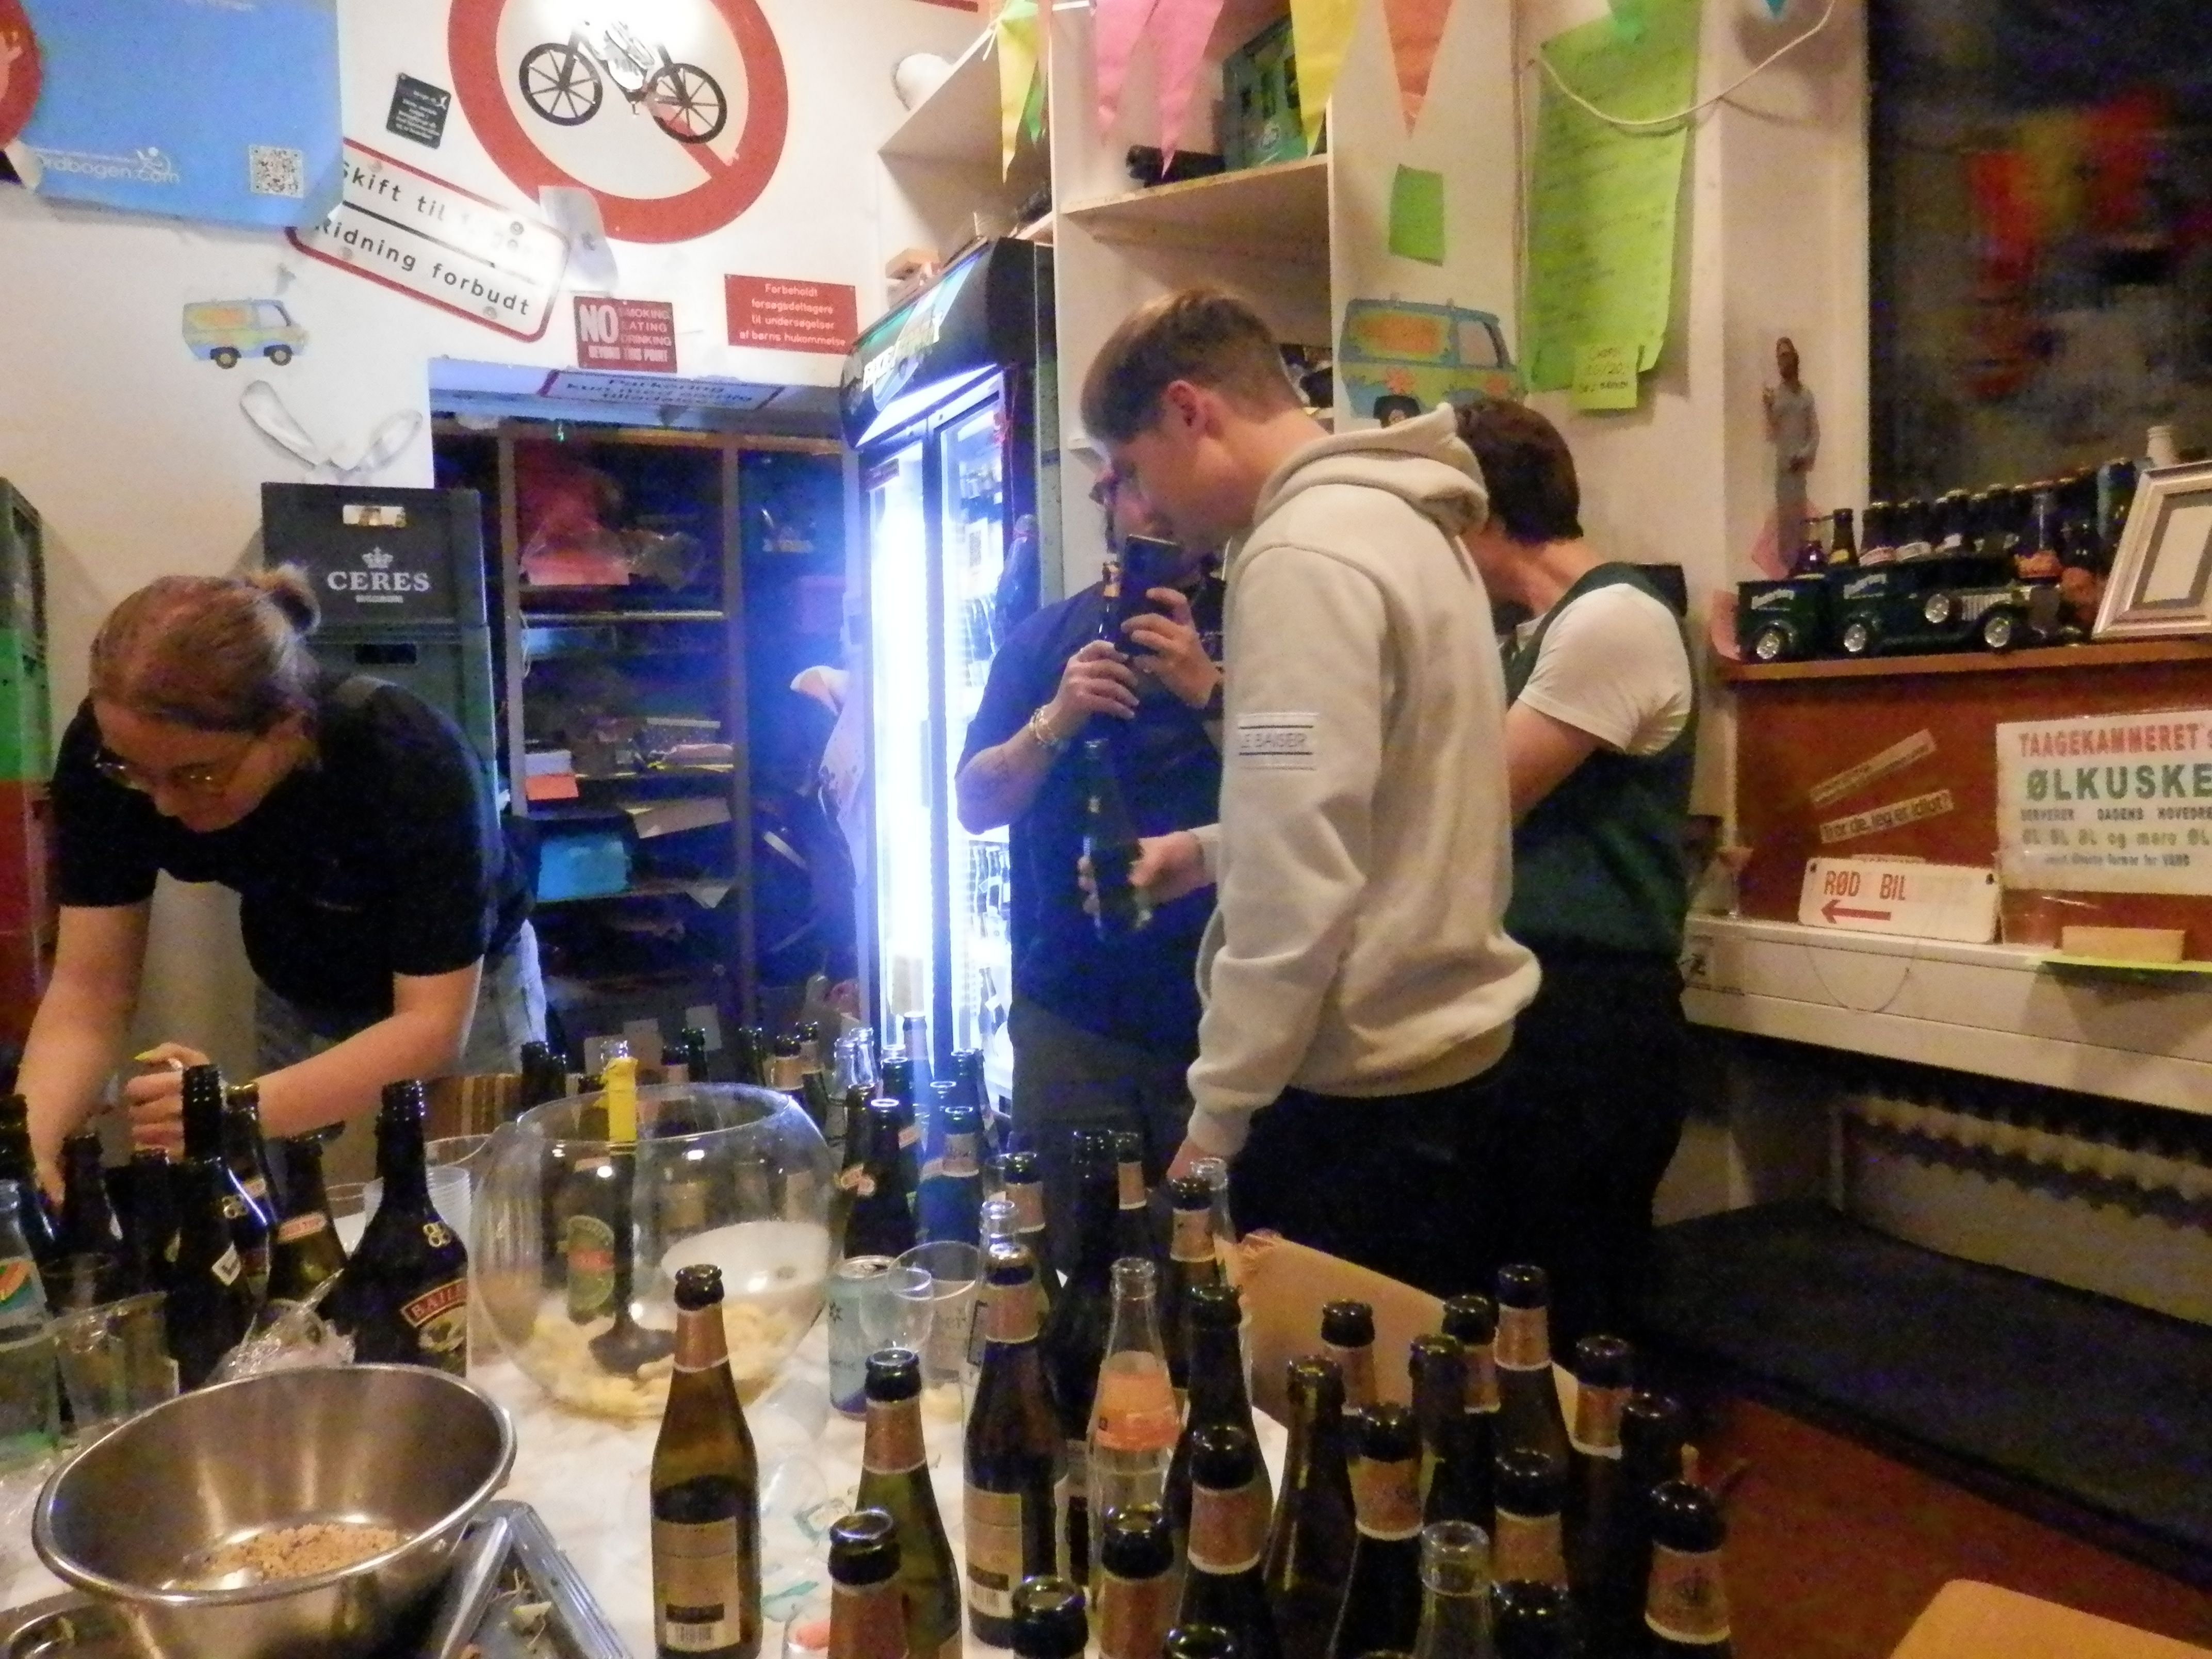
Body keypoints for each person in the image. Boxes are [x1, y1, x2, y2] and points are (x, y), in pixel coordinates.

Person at [1081, 287, 1538, 1296]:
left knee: (1319, 1393)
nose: (1143, 509)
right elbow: (1392, 798)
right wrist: (1207, 851)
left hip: (1357, 1112)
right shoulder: (1409, 523)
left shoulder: (1298, 554)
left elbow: (1299, 880)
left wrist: (1213, 1125)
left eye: (1133, 469)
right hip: (1459, 1072)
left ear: (1189, 411)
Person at [19, 569, 542, 1180]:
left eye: (199, 776)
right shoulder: (113, 752)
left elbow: (431, 1029)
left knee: (481, 1194)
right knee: (291, 1201)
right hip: (301, 974)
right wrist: (26, 1155)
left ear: (288, 727)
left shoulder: (408, 754)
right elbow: (90, 992)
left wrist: (231, 1109)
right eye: (135, 772)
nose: (162, 804)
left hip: (462, 990)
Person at [1455, 400, 1697, 1347]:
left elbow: (1473, 806)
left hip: (1593, 1015)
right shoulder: (1540, 631)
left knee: (1575, 1308)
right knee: (1521, 1302)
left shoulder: (1613, 619)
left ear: (1477, 510)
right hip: (1542, 1007)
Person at [954, 465, 1224, 1258]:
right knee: (1071, 1262)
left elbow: (1313, 791)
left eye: (1170, 478)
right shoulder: (1044, 640)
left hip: (1227, 1019)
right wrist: (1056, 717)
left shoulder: (1263, 621)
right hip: (1072, 1015)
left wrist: (1208, 688)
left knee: (1217, 1273)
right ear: (1107, 495)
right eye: (1139, 481)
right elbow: (975, 805)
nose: (1160, 503)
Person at [1765, 335, 1820, 567]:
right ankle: (1787, 562)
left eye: (1786, 355)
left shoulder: (1806, 395)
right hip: (1783, 469)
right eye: (1779, 357)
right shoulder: (1775, 395)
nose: (1783, 361)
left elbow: (1815, 433)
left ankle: (1801, 560)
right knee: (1785, 517)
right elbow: (1772, 433)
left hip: (1798, 469)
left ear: (1795, 358)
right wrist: (1768, 408)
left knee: (1799, 515)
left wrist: (1804, 455)